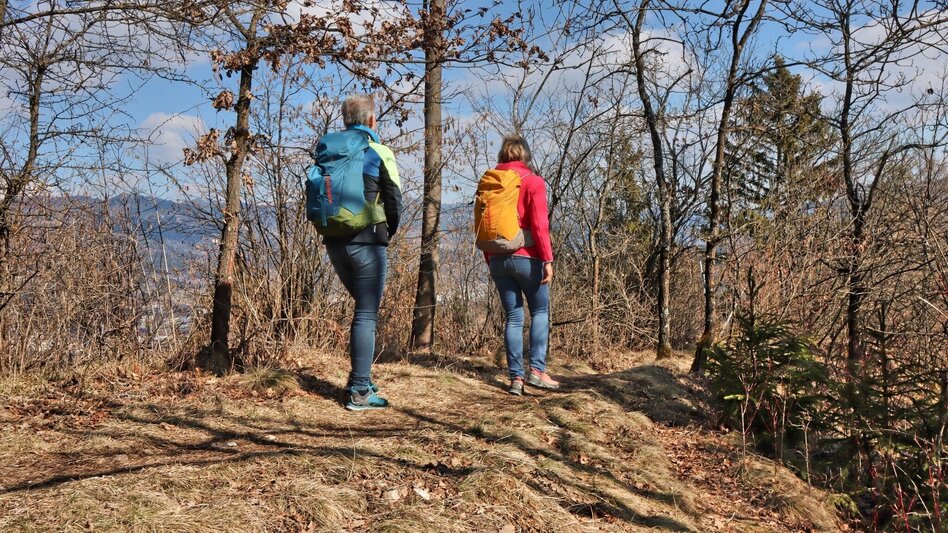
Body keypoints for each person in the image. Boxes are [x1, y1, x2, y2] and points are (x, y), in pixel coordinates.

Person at [323, 95, 402, 410]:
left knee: (362, 310)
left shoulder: (329, 153)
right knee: (367, 313)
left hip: (334, 240)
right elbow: (394, 200)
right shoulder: (378, 151)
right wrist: (388, 232)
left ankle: (362, 378)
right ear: (371, 120)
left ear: (345, 120)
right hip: (367, 242)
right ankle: (359, 392)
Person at [483, 135, 559, 395]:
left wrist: (490, 257)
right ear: (525, 155)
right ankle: (537, 371)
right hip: (528, 257)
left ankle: (516, 378)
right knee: (540, 312)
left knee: (513, 317)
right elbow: (539, 225)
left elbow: (483, 225)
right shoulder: (533, 182)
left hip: (497, 258)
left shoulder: (490, 182)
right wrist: (547, 259)